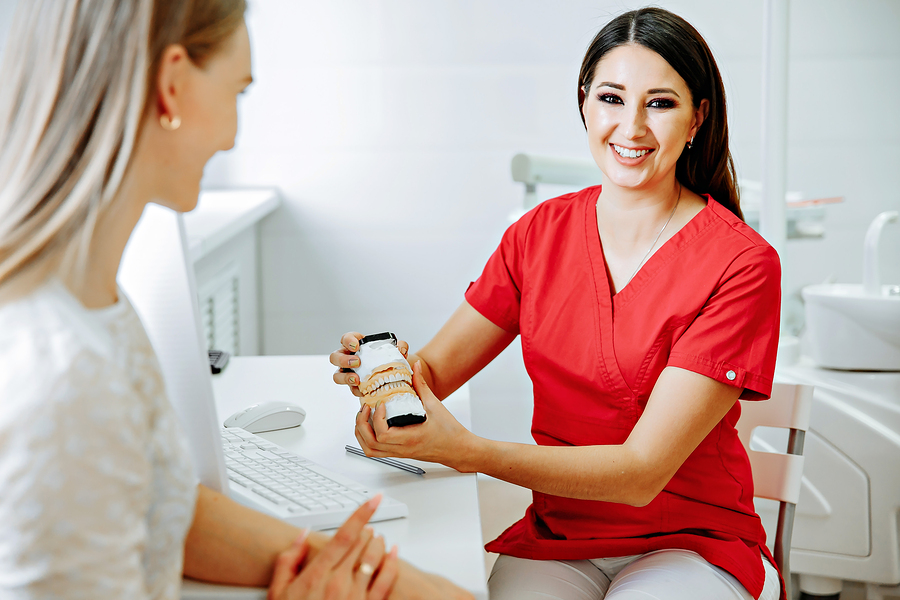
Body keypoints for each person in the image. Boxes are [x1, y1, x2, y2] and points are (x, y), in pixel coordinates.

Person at [0, 1, 470, 599]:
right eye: (238, 93)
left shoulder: (95, 302)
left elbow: (167, 512)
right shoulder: (65, 376)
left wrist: (401, 582)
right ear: (172, 85)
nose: (233, 134)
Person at [332, 7, 783, 600]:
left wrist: (468, 452)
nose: (632, 127)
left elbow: (642, 472)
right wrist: (385, 384)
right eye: (612, 98)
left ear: (698, 117)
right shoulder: (537, 235)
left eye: (661, 103)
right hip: (561, 538)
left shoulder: (741, 263)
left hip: (691, 544)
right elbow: (435, 373)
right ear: (584, 103)